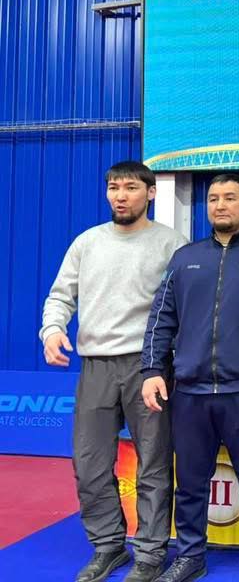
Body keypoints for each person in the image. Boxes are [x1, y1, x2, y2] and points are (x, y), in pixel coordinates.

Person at [141, 173, 239, 582]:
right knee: (191, 482)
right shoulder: (185, 258)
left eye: (230, 197)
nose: (220, 205)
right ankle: (190, 555)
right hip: (190, 393)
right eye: (213, 198)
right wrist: (153, 370)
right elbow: (161, 318)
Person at [39, 161, 187, 582]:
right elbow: (60, 296)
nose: (120, 196)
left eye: (131, 187)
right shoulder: (87, 242)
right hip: (95, 366)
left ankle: (150, 554)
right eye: (114, 188)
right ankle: (108, 546)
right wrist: (52, 330)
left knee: (153, 465)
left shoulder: (172, 244)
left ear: (150, 193)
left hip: (150, 367)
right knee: (89, 464)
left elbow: (187, 307)